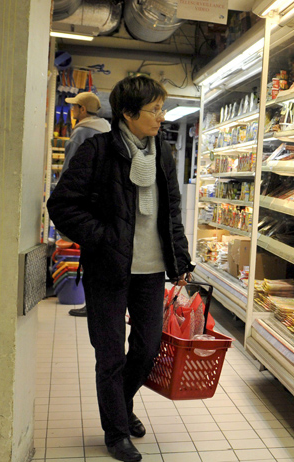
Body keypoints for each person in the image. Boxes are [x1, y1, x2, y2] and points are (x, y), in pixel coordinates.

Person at [47, 76, 194, 462]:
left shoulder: (163, 153)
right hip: (108, 270)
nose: (162, 117)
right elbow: (62, 206)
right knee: (110, 354)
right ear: (128, 114)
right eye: (155, 110)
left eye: (162, 109)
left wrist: (181, 260)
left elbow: (171, 213)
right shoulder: (98, 151)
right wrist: (104, 237)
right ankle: (116, 432)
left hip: (150, 272)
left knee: (147, 348)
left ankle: (121, 405)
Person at [60, 91, 112, 318]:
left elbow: (69, 172)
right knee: (100, 256)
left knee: (89, 255)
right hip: (105, 203)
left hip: (85, 203)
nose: (72, 112)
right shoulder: (108, 131)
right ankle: (97, 304)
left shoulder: (81, 133)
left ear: (82, 110)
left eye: (74, 108)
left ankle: (91, 304)